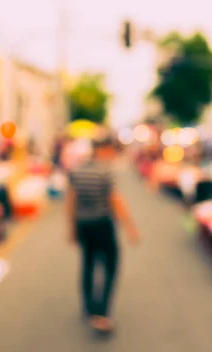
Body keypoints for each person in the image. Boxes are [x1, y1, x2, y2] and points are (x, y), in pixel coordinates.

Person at [67, 136, 140, 334]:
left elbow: (71, 200)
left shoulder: (78, 170)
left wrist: (71, 228)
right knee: (110, 266)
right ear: (105, 149)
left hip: (83, 224)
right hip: (102, 224)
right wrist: (130, 227)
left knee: (88, 264)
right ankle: (102, 313)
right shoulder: (105, 171)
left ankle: (89, 306)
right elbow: (114, 199)